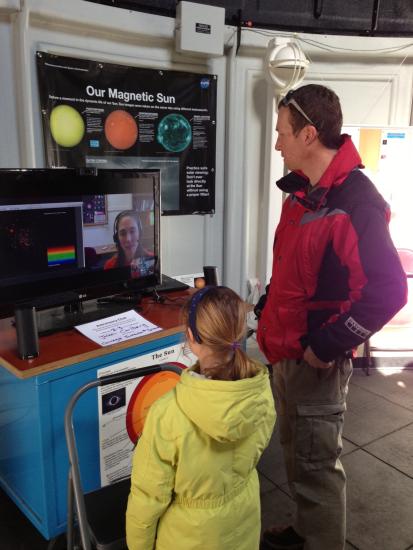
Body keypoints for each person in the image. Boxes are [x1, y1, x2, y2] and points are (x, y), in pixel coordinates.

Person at [256, 84, 407, 550]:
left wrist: (326, 344)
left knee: (317, 470)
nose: (277, 142)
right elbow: (295, 274)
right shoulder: (302, 193)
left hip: (313, 361)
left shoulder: (355, 203)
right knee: (297, 457)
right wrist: (267, 306)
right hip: (285, 353)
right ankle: (305, 531)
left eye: (282, 132)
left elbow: (388, 291)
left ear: (308, 134)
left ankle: (320, 538)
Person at [126, 285, 276, 550]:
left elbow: (147, 499)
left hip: (188, 538)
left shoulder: (167, 412)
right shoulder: (261, 391)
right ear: (238, 330)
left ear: (190, 336)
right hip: (243, 524)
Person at [104, 210, 154, 277]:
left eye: (132, 231)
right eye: (123, 233)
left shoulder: (153, 260)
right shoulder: (109, 266)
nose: (128, 239)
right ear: (117, 238)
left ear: (140, 233)